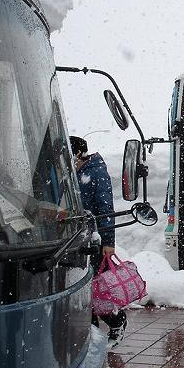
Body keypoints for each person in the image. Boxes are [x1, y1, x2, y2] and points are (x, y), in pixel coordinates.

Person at [70, 136, 127, 345]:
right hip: (75, 241)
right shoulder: (73, 172)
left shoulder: (96, 172)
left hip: (94, 241)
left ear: (78, 153)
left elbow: (106, 209)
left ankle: (116, 321)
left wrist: (108, 242)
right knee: (82, 290)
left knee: (95, 288)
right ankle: (90, 334)